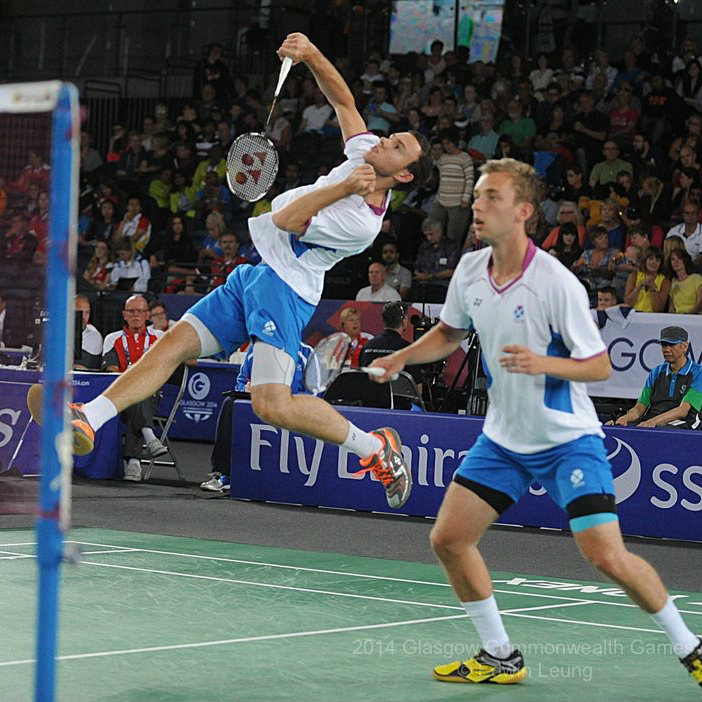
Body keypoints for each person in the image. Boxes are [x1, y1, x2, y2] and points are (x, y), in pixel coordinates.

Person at [32, 32, 432, 510]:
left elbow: (287, 218)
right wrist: (309, 55)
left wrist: (344, 188)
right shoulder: (363, 156)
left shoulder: (360, 222)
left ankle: (376, 447)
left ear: (403, 174)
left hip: (286, 292)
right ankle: (87, 419)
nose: (383, 139)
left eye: (397, 145)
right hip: (254, 275)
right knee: (171, 346)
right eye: (390, 136)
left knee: (272, 406)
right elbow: (343, 99)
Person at [366, 157, 702, 691]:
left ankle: (692, 647)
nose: (478, 207)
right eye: (477, 197)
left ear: (524, 211)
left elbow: (598, 365)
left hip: (568, 441)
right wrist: (403, 356)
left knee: (606, 556)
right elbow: (451, 333)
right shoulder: (472, 270)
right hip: (503, 440)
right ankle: (500, 654)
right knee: (449, 539)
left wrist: (543, 362)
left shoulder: (555, 283)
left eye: (491, 197)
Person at [199, 341, 313, 494]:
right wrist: (245, 389)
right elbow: (241, 381)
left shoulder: (307, 353)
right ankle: (222, 474)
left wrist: (285, 396)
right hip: (258, 403)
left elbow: (314, 393)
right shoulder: (256, 349)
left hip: (290, 406)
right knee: (230, 403)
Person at [101, 295, 166, 481]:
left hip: (152, 393)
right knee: (133, 393)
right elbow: (111, 368)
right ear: (124, 314)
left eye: (140, 311)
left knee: (138, 395)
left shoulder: (160, 338)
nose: (136, 315)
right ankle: (148, 435)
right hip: (121, 393)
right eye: (131, 311)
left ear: (147, 315)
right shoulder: (112, 338)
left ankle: (133, 462)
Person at [607, 326, 701, 430]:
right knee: (616, 426)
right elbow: (640, 408)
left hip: (682, 422)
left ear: (685, 346)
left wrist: (653, 422)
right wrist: (624, 419)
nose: (666, 349)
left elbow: (682, 411)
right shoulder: (656, 372)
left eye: (672, 345)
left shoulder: (698, 373)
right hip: (653, 421)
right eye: (664, 345)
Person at [359, 301, 423, 398]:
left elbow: (360, 379)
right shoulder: (408, 350)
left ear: (384, 320)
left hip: (369, 403)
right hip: (400, 407)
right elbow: (418, 391)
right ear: (404, 321)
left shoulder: (367, 347)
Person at [431, 127, 474, 246]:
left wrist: (465, 199)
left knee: (453, 236)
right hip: (441, 201)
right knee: (434, 230)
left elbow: (470, 179)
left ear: (455, 142)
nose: (446, 146)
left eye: (448, 143)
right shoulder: (443, 159)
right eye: (444, 144)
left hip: (458, 204)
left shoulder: (464, 158)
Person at [412, 218, 460, 303]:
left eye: (431, 234)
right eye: (426, 235)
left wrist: (430, 276)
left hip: (442, 286)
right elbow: (417, 266)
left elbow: (452, 271)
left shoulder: (451, 246)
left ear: (439, 231)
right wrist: (418, 274)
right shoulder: (424, 246)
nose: (429, 237)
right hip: (424, 285)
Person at [623, 246, 670, 312]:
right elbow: (628, 302)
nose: (654, 262)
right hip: (634, 314)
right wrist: (639, 287)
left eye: (657, 260)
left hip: (651, 318)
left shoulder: (665, 281)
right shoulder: (634, 276)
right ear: (645, 260)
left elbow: (659, 309)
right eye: (651, 259)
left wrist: (654, 289)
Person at [666, 201, 702, 270]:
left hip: (695, 268)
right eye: (687, 213)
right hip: (673, 267)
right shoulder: (673, 231)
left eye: (693, 213)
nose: (690, 215)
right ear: (682, 214)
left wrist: (685, 267)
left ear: (698, 215)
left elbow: (700, 259)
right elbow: (667, 252)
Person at [74, 295, 103, 371]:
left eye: (87, 312)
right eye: (79, 312)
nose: (83, 317)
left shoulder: (93, 335)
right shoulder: (58, 331)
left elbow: (79, 367)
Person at [668, 249, 702, 314]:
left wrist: (689, 313)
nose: (676, 261)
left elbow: (700, 302)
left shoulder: (696, 278)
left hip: (695, 316)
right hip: (678, 318)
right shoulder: (673, 282)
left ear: (685, 260)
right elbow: (671, 306)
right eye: (673, 259)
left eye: (679, 258)